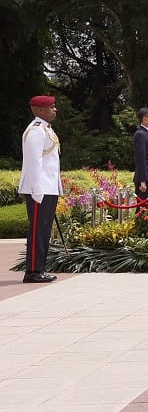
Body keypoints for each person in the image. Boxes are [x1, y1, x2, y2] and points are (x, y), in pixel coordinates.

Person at [19, 95, 61, 284]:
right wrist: (37, 190)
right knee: (38, 230)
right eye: (51, 107)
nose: (55, 109)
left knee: (43, 229)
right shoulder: (36, 131)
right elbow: (33, 162)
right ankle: (33, 271)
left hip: (48, 187)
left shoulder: (46, 129)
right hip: (40, 189)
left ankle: (39, 268)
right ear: (40, 110)